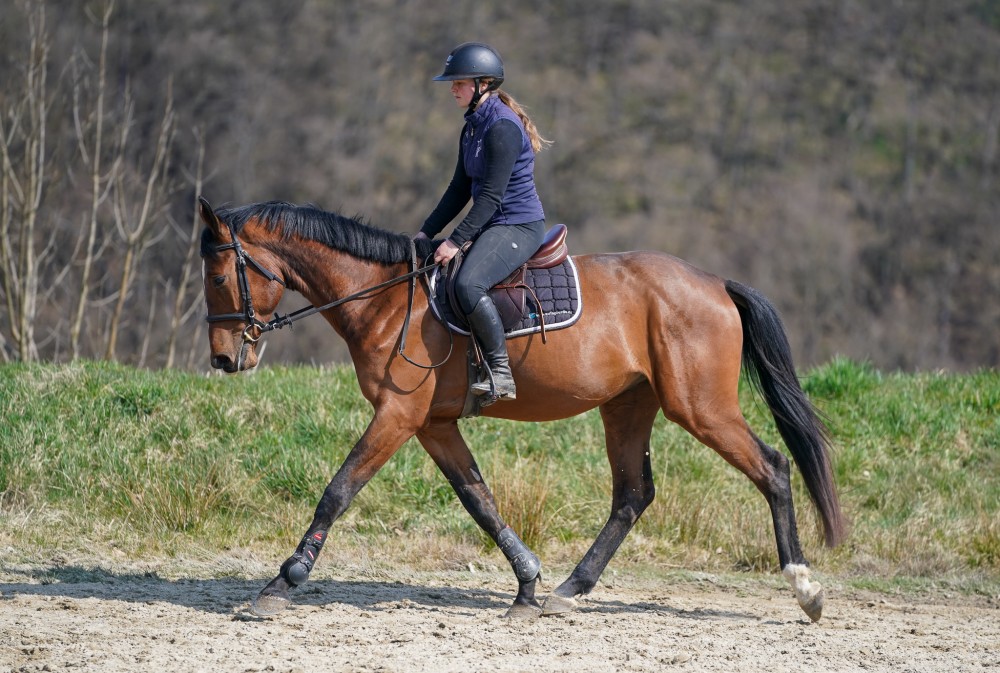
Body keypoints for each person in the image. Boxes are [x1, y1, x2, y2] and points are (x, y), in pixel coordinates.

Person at [414, 42, 551, 402]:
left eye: (459, 82)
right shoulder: (473, 126)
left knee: (469, 284)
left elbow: (489, 198)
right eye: (453, 82)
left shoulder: (501, 127)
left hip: (518, 226)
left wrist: (454, 241)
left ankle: (500, 372)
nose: (452, 88)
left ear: (483, 83)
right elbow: (459, 189)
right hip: (494, 223)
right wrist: (426, 231)